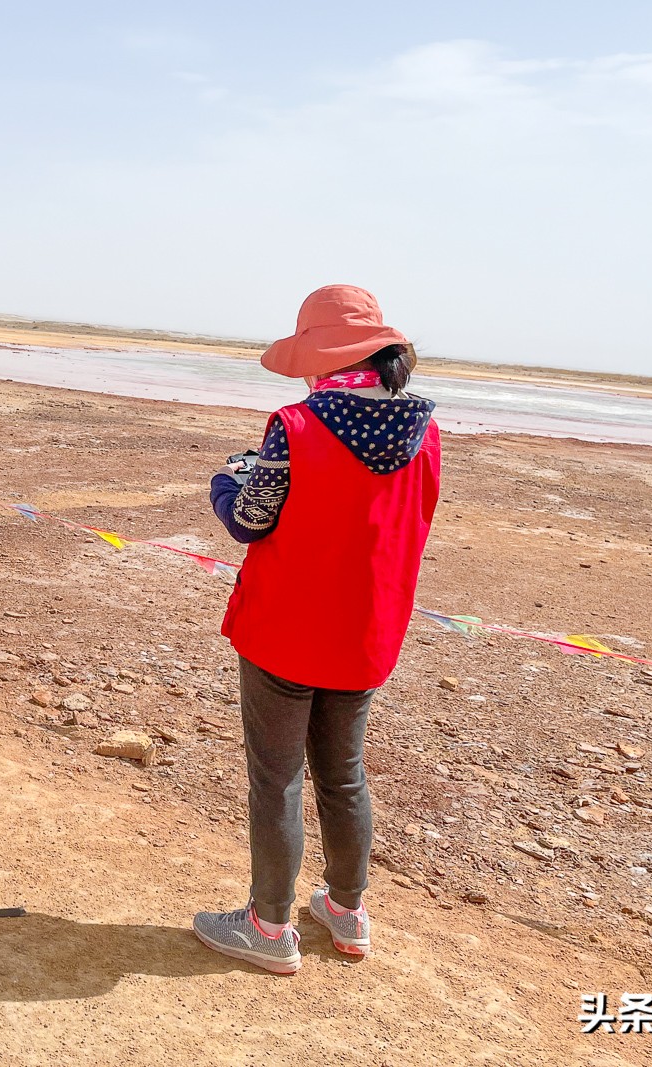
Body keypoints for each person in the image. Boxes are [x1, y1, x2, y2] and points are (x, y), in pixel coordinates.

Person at [192, 285, 441, 975]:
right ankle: (348, 910)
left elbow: (250, 517)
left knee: (276, 779)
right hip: (367, 631)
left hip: (285, 629)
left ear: (323, 357)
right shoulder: (426, 432)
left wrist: (224, 478)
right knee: (345, 776)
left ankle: (269, 927)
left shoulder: (296, 425)